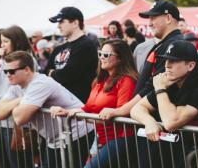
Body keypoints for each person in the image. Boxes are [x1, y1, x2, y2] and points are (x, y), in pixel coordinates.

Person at [0, 51, 94, 168]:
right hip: (55, 138)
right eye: (5, 71)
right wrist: (19, 100)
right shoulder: (16, 86)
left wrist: (13, 106)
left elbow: (20, 118)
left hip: (75, 133)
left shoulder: (40, 83)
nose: (8, 75)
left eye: (11, 71)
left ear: (26, 70)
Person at [50, 39, 138, 168]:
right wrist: (67, 112)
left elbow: (122, 114)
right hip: (101, 139)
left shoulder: (126, 80)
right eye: (100, 53)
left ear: (120, 59)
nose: (102, 57)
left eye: (106, 55)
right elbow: (87, 109)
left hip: (120, 139)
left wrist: (89, 117)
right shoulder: (100, 81)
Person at [130, 40, 198, 168]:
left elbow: (171, 122)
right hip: (191, 148)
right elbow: (137, 108)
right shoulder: (172, 78)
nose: (167, 65)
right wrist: (149, 122)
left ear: (190, 66)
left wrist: (160, 88)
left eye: (174, 61)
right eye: (166, 60)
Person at [0, 26, 35, 168]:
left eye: (6, 41)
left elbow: (19, 92)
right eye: (1, 41)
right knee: (3, 164)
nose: (2, 45)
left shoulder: (27, 60)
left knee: (18, 163)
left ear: (16, 41)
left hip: (15, 123)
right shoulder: (2, 62)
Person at [45, 6, 98, 103]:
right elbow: (45, 73)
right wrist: (54, 73)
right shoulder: (58, 48)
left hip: (77, 106)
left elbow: (68, 75)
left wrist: (52, 73)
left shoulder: (86, 45)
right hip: (57, 105)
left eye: (62, 22)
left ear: (75, 23)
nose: (58, 26)